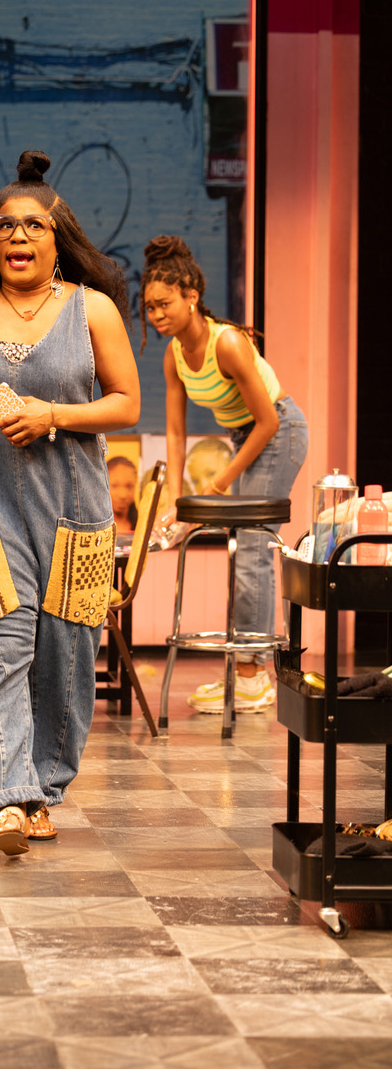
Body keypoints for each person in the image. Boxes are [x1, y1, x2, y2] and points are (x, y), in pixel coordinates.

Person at [0, 150, 140, 856]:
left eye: (32, 225)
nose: (17, 236)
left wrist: (53, 414)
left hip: (76, 512)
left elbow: (125, 403)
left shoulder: (94, 309)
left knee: (66, 657)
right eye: (3, 224)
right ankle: (4, 802)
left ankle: (42, 788)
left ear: (58, 238)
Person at [141, 233, 308, 714]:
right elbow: (174, 433)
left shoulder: (227, 343)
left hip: (278, 430)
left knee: (254, 546)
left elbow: (269, 422)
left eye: (165, 303)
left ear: (192, 297)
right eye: (150, 307)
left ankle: (254, 676)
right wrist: (175, 499)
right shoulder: (174, 355)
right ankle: (243, 670)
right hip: (246, 436)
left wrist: (213, 486)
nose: (157, 315)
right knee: (245, 547)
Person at [107, 455, 139, 534]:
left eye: (129, 486)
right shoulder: (92, 530)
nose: (123, 495)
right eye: (114, 486)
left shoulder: (142, 528)